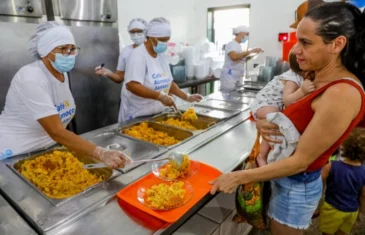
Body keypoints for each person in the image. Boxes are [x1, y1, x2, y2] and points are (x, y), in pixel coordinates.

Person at [210, 3, 365, 235]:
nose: (295, 51)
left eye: (306, 42)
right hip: (285, 178)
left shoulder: (342, 93)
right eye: (297, 40)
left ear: (337, 44)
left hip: (296, 185)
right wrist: (267, 124)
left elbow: (301, 161)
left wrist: (238, 177)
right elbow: (299, 120)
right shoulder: (318, 75)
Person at [0, 22, 130, 169]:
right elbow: (56, 130)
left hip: (45, 149)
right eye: (63, 49)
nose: (70, 54)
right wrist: (100, 152)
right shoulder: (31, 77)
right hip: (13, 154)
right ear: (45, 51)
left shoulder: (62, 74)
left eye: (72, 49)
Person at [120, 17, 203, 121]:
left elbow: (169, 82)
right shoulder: (138, 55)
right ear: (151, 37)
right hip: (137, 116)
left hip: (156, 114)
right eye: (162, 40)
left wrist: (186, 97)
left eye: (167, 40)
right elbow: (132, 85)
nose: (165, 44)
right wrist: (161, 97)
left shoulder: (161, 55)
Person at [250, 52, 315, 167]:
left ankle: (262, 156)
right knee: (275, 127)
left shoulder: (299, 77)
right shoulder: (293, 79)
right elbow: (287, 100)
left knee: (270, 130)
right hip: (265, 104)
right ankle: (265, 156)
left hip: (270, 105)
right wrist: (302, 91)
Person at [95, 18, 148, 122]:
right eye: (133, 32)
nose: (136, 34)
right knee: (129, 131)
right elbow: (119, 78)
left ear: (146, 31)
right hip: (130, 99)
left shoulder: (151, 51)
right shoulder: (126, 52)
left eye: (139, 31)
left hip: (148, 98)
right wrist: (108, 73)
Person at [319, 128, 365, 235]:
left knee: (327, 233)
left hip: (331, 208)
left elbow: (318, 183)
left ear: (343, 147)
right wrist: (361, 212)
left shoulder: (331, 166)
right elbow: (363, 195)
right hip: (352, 211)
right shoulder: (363, 173)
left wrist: (317, 204)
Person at [220, 25, 263, 92]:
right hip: (229, 76)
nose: (247, 36)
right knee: (227, 96)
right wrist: (251, 51)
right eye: (246, 34)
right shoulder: (231, 44)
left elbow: (242, 59)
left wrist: (255, 53)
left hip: (237, 76)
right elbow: (234, 57)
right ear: (240, 33)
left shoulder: (239, 46)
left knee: (235, 96)